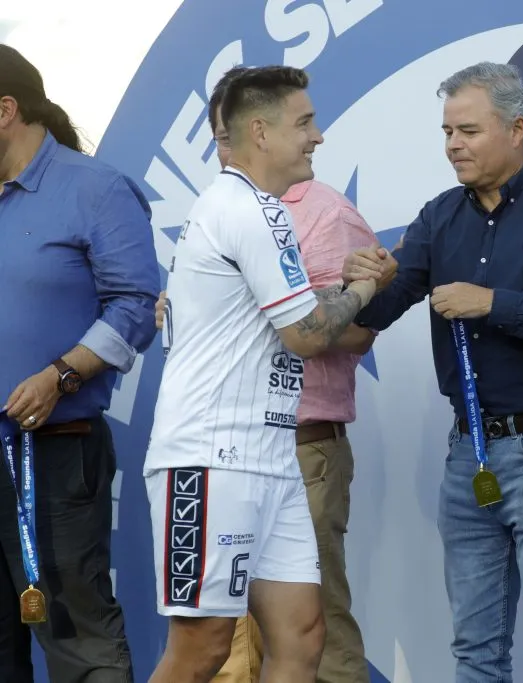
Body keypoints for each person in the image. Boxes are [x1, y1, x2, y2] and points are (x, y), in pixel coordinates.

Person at [343, 62, 523, 682]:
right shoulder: (439, 216)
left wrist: (493, 303)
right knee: (475, 650)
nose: (452, 146)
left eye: (467, 131)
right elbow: (385, 304)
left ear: (516, 128)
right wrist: (358, 276)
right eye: (446, 132)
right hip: (468, 452)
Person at [143, 65, 378, 683]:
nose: (317, 136)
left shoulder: (252, 210)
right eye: (304, 122)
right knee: (202, 650)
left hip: (272, 458)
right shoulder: (248, 209)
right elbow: (303, 333)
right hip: (210, 459)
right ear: (260, 132)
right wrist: (360, 288)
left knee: (302, 634)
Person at [0, 44, 160, 682]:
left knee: (77, 637)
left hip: (55, 453)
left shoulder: (95, 188)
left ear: (5, 109)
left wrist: (61, 375)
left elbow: (137, 305)